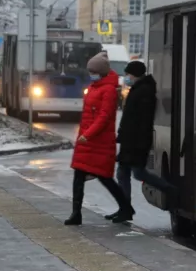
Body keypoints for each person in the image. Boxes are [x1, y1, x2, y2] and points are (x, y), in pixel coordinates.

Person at [66, 51, 134, 226]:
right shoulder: (95, 88)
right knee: (79, 175)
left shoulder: (109, 90)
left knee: (105, 177)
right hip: (88, 142)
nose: (91, 74)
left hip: (99, 141)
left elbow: (104, 117)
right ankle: (76, 213)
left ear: (101, 72)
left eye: (93, 71)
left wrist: (87, 135)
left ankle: (126, 207)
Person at [110, 60, 176, 222]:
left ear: (135, 74)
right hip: (130, 140)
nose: (126, 77)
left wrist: (137, 141)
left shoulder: (144, 91)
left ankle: (169, 189)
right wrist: (121, 134)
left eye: (128, 74)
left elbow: (142, 121)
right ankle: (124, 208)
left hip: (136, 142)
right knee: (123, 172)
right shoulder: (138, 89)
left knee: (138, 173)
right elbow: (129, 117)